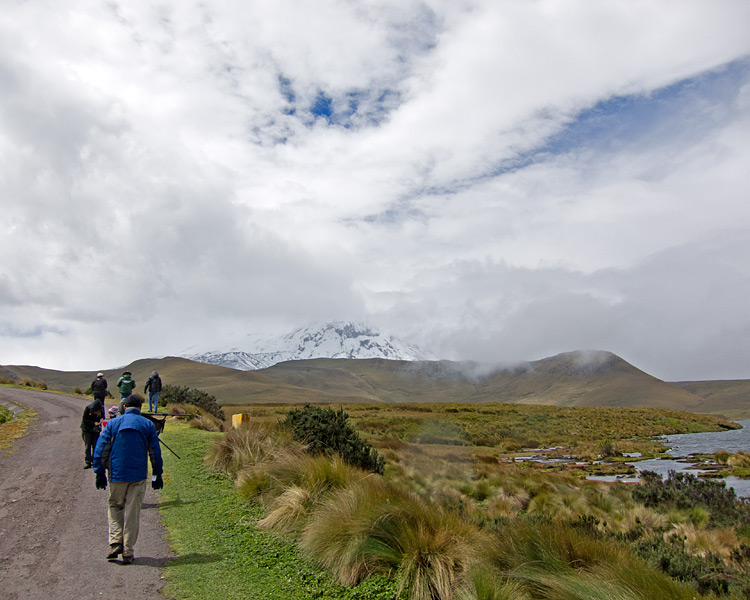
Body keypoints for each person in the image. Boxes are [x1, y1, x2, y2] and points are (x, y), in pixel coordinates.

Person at [93, 394, 164, 564]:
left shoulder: (113, 424)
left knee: (115, 506)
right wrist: (157, 474)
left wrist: (99, 472)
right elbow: (155, 453)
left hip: (117, 474)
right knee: (133, 512)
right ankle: (128, 551)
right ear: (140, 408)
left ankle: (115, 542)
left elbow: (101, 448)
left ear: (124, 407)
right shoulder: (148, 425)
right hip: (138, 476)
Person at [81, 399, 104, 469]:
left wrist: (101, 420)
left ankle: (94, 461)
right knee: (88, 445)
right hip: (87, 429)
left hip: (95, 430)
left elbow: (102, 416)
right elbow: (84, 420)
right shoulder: (88, 409)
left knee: (95, 445)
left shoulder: (101, 409)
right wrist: (93, 423)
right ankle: (88, 461)